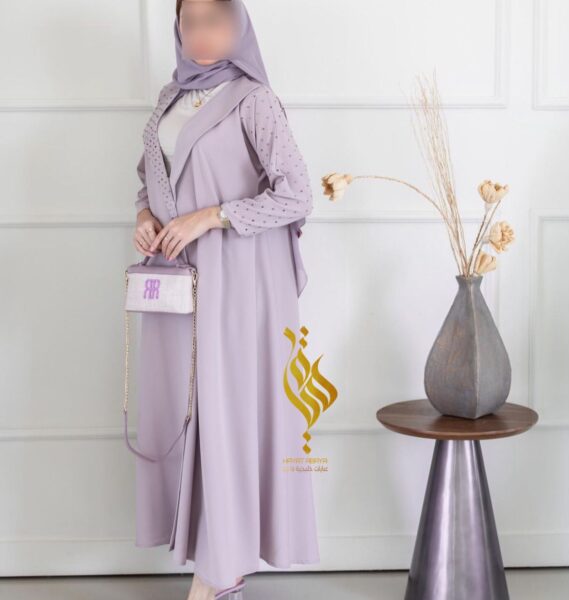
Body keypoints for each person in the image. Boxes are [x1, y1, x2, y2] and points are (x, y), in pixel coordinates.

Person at [130, 1, 320, 599]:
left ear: (238, 25)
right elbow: (149, 177)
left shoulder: (254, 99)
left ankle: (218, 574)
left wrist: (210, 217)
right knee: (184, 410)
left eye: (214, 20)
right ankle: (216, 566)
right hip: (176, 281)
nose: (201, 34)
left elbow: (297, 195)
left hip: (237, 279)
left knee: (224, 412)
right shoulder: (170, 97)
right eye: (189, 21)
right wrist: (144, 215)